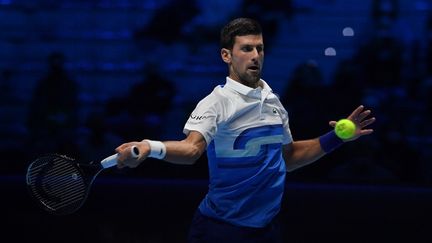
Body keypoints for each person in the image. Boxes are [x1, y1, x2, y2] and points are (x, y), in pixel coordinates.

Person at [114, 18, 376, 243]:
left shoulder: (274, 102)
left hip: (266, 230)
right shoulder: (217, 102)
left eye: (259, 49)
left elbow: (287, 158)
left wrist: (337, 138)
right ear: (226, 55)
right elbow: (192, 149)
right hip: (220, 230)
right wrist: (150, 147)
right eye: (247, 48)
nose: (255, 55)